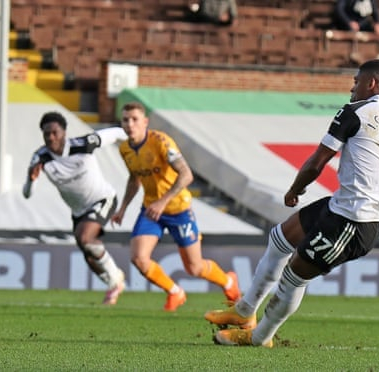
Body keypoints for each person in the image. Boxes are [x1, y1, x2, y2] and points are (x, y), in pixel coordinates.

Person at [205, 59, 379, 347]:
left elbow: (317, 162)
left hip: (355, 221)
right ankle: (244, 311)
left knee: (293, 275)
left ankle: (259, 336)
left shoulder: (355, 112)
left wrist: (295, 189)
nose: (352, 87)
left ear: (371, 84)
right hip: (342, 206)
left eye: (356, 81)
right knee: (280, 238)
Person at [110, 102, 240, 311]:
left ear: (145, 122)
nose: (130, 124)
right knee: (139, 259)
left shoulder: (161, 142)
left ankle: (229, 282)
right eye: (125, 120)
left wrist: (163, 202)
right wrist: (123, 208)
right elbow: (135, 179)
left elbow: (186, 174)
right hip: (152, 211)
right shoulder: (125, 149)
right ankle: (175, 292)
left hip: (178, 209)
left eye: (135, 119)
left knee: (194, 268)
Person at [23, 112, 127, 305]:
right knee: (89, 255)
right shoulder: (40, 157)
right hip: (79, 211)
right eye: (47, 134)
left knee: (86, 238)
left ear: (64, 132)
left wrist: (138, 140)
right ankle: (113, 283)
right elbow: (27, 194)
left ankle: (115, 279)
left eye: (55, 132)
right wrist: (31, 180)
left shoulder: (84, 144)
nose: (51, 138)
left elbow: (115, 133)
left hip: (103, 199)